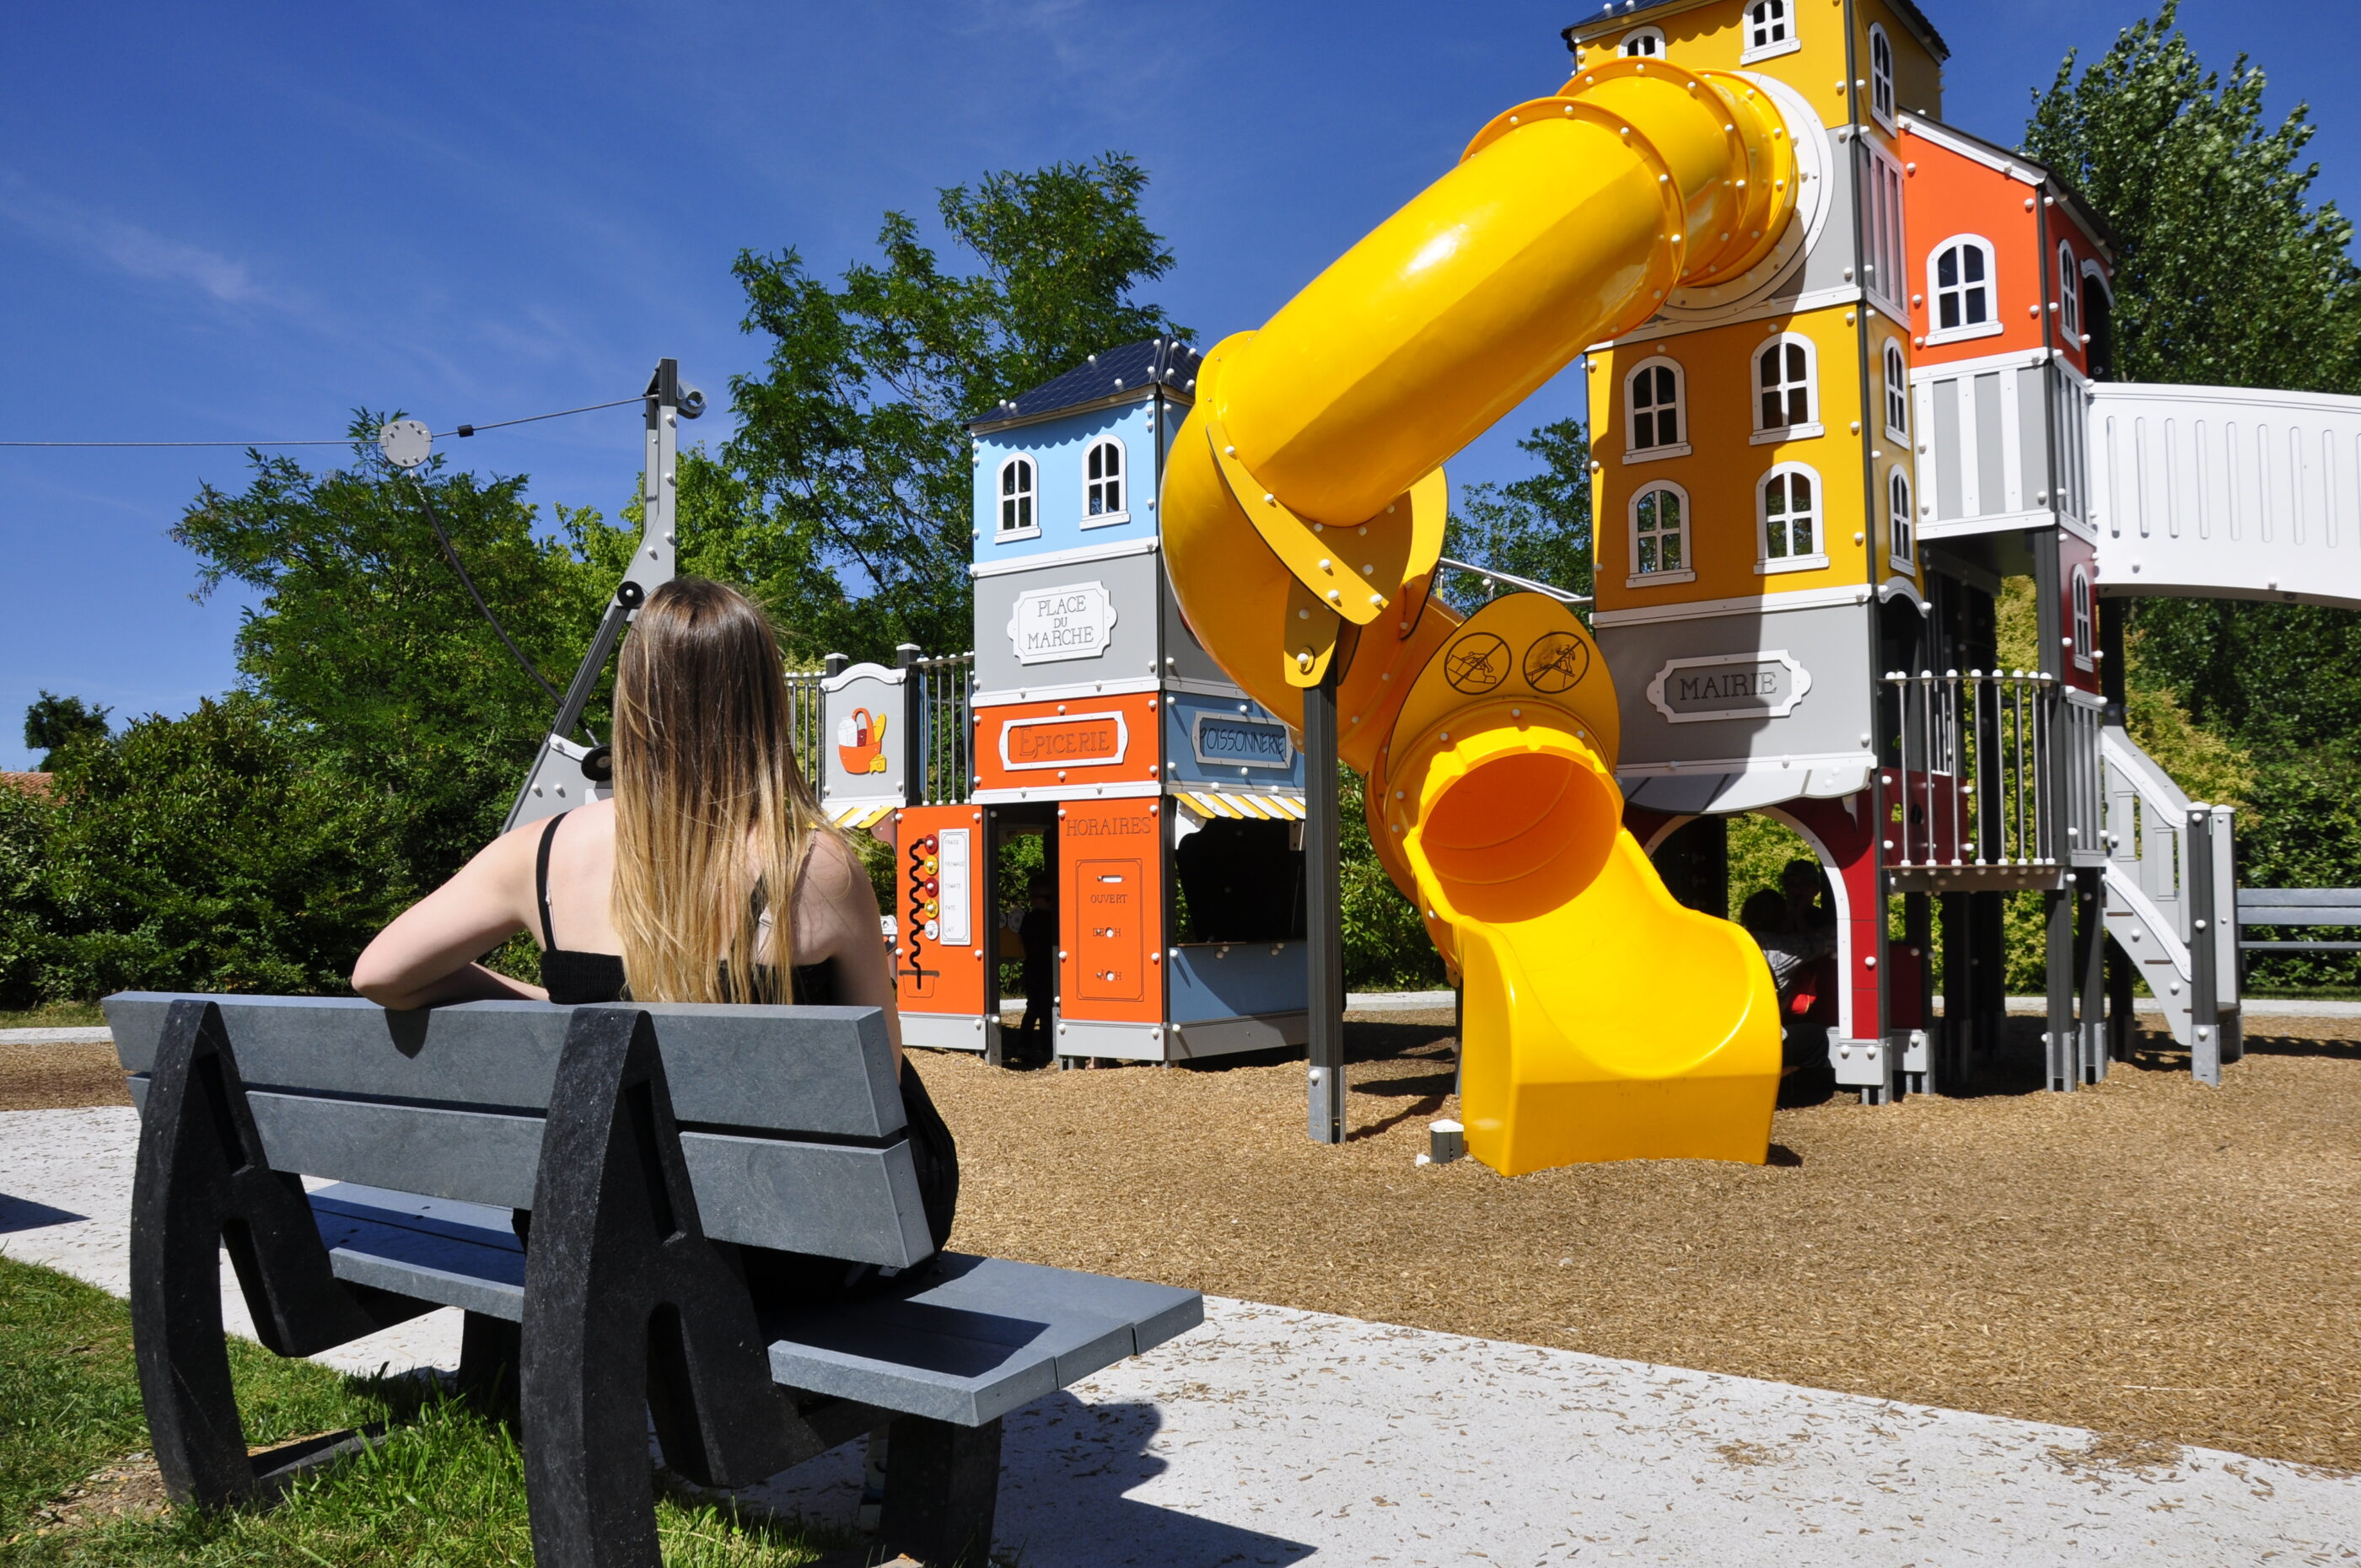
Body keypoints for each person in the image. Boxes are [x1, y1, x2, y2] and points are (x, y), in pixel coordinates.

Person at [351, 577, 955, 1302]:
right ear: (764, 701)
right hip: (787, 1250)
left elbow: (379, 972)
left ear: (634, 699)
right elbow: (876, 1082)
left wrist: (560, 1006)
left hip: (592, 1226)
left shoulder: (538, 853)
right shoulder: (813, 865)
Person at [1008, 873, 1057, 1066]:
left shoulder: (1028, 920)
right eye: (1048, 899)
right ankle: (1046, 1047)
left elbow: (1021, 941)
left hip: (1033, 968)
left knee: (1034, 1009)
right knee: (1043, 1009)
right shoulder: (1048, 920)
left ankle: (1025, 1045)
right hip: (1041, 969)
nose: (1051, 902)